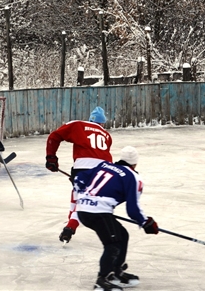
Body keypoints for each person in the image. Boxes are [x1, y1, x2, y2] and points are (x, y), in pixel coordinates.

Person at [74, 146, 159, 291]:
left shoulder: (103, 165)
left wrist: (85, 195)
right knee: (113, 243)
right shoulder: (133, 176)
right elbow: (132, 209)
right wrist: (146, 222)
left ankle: (116, 271)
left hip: (82, 210)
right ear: (135, 163)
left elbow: (78, 179)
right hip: (98, 213)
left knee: (122, 235)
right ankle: (102, 280)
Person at [45, 106, 113, 243]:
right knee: (83, 198)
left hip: (82, 168)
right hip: (105, 171)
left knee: (78, 196)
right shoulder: (107, 135)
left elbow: (54, 136)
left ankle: (70, 226)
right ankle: (71, 224)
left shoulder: (78, 124)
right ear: (102, 123)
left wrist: (51, 157)